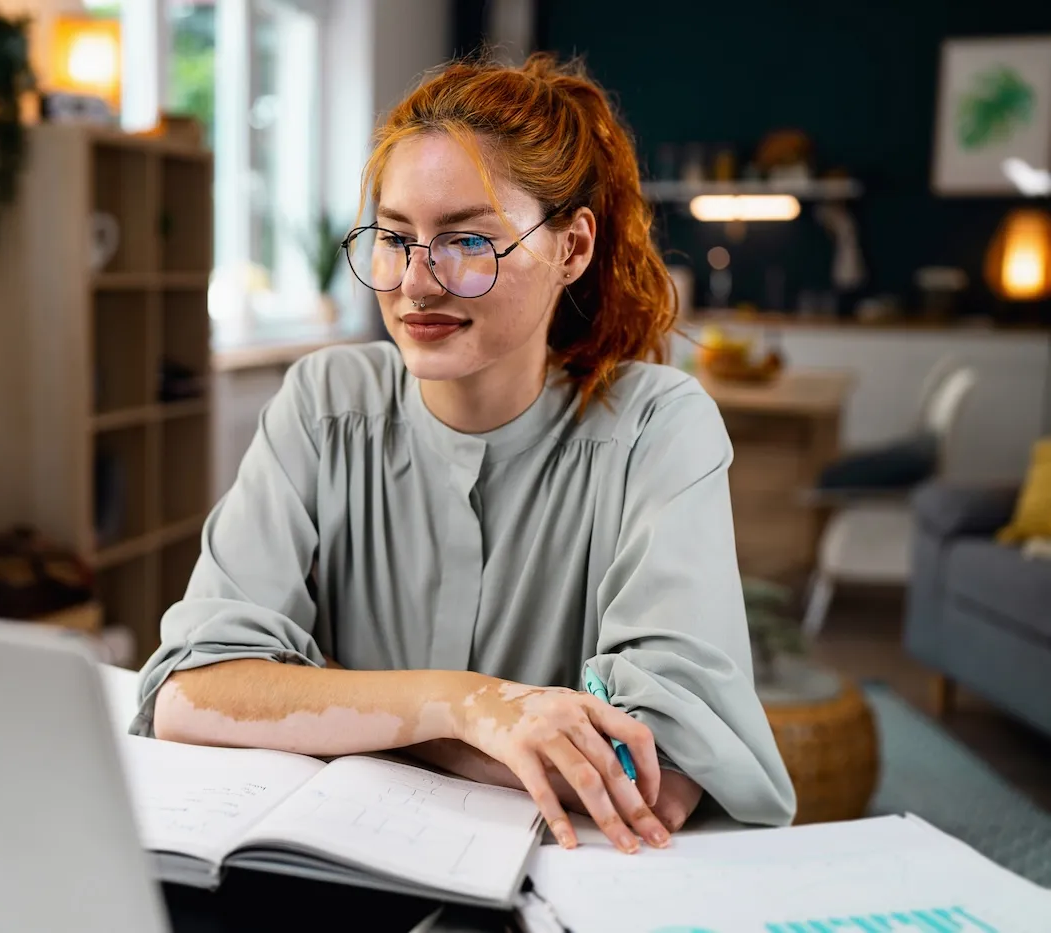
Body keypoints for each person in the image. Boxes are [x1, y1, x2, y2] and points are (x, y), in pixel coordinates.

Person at [131, 53, 796, 853]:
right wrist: (469, 707)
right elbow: (191, 695)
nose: (416, 283)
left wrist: (328, 709)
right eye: (394, 236)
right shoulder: (325, 402)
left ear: (572, 248)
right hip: (344, 866)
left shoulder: (657, 427)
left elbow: (650, 772)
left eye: (467, 241)